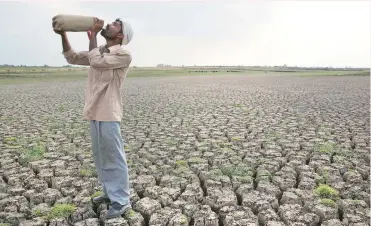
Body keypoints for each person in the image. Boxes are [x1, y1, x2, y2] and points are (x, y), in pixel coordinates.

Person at [53, 17, 134, 219]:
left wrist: (94, 36)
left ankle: (122, 201)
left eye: (115, 24)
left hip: (108, 112)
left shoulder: (123, 54)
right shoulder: (99, 50)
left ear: (121, 35)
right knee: (101, 157)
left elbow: (96, 62)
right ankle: (109, 193)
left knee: (114, 157)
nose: (109, 24)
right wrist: (63, 34)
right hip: (95, 111)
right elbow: (71, 57)